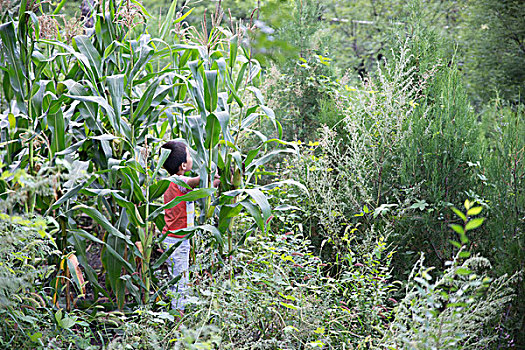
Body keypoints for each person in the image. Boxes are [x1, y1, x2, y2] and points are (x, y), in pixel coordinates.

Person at [160, 141, 219, 314]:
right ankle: (178, 319)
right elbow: (198, 183)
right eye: (190, 155)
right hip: (178, 241)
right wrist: (212, 176)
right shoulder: (180, 181)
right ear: (183, 165)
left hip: (170, 238)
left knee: (176, 277)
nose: (193, 158)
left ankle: (174, 310)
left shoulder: (168, 181)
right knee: (181, 281)